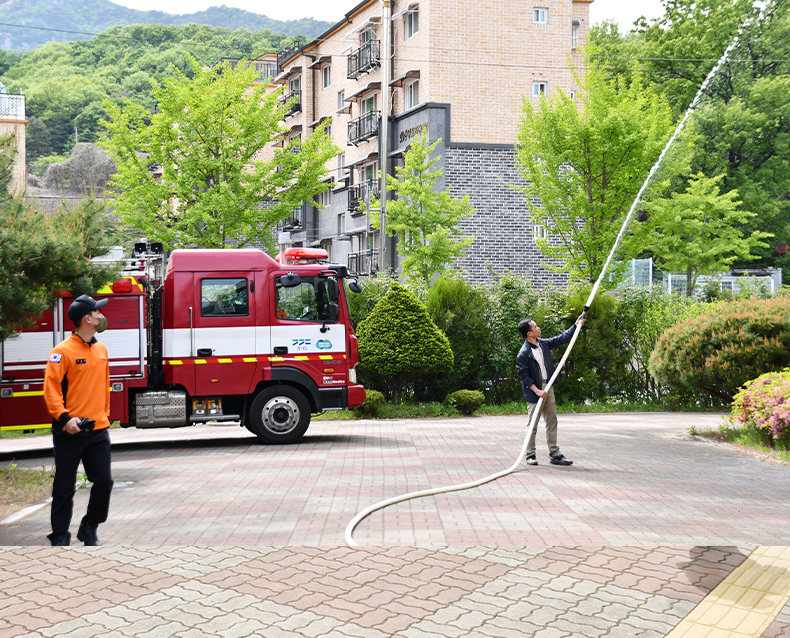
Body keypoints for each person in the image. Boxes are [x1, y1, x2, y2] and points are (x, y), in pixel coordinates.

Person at [43, 294, 114, 546]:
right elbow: (50, 390)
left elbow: (104, 386)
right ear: (88, 318)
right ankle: (60, 535)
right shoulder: (61, 352)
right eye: (98, 312)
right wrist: (65, 419)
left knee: (104, 482)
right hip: (69, 430)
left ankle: (90, 525)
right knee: (64, 486)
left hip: (98, 430)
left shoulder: (101, 349)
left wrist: (105, 414)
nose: (102, 315)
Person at [516, 315, 586, 467]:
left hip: (549, 387)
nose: (538, 328)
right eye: (535, 327)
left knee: (552, 420)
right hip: (535, 392)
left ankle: (555, 454)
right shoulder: (524, 353)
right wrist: (537, 391)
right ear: (529, 333)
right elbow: (524, 376)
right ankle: (530, 454)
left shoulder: (543, 344)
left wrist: (576, 325)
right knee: (532, 424)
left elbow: (561, 338)